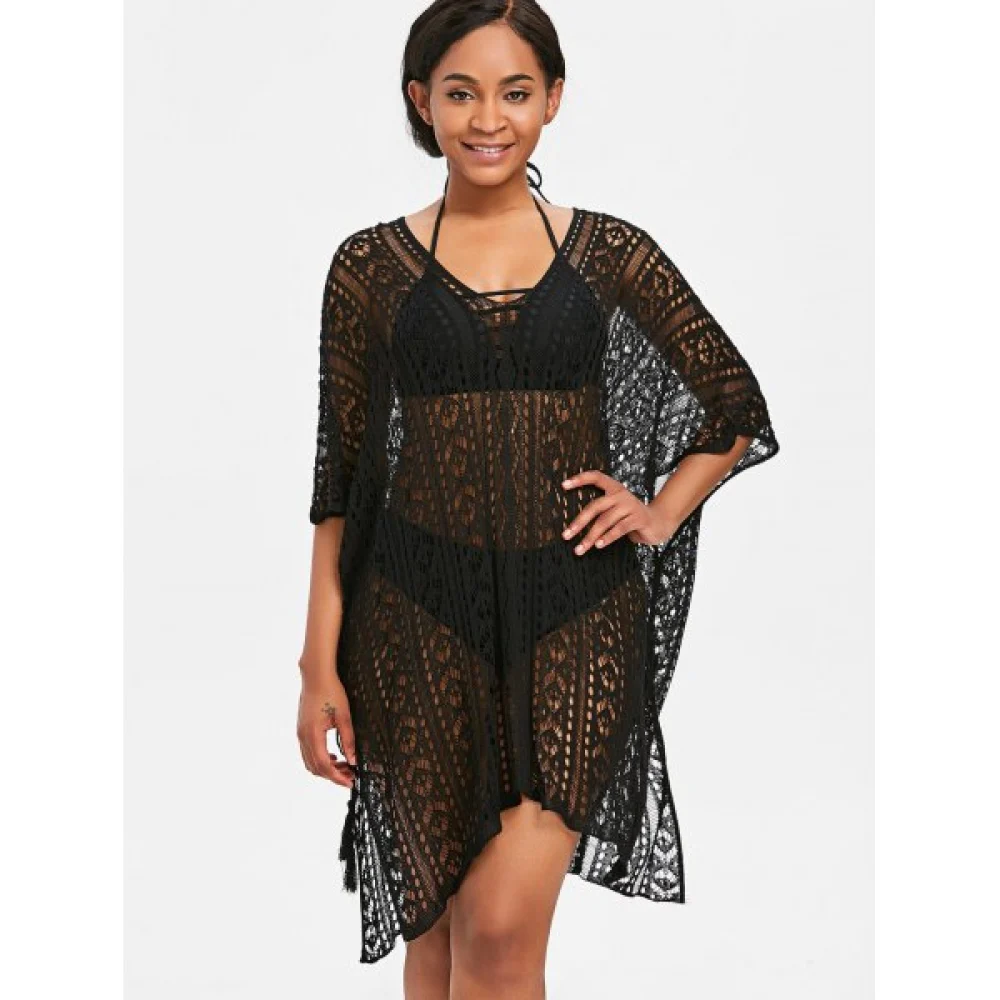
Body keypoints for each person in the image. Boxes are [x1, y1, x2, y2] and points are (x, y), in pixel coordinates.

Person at [297, 0, 780, 993]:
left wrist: (659, 509)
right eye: (461, 93)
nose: (488, 119)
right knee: (436, 931)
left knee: (498, 934)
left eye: (515, 92)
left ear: (553, 99)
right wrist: (316, 664)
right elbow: (340, 484)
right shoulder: (366, 268)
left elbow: (732, 405)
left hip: (572, 618)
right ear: (420, 101)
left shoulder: (609, 254)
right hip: (414, 621)